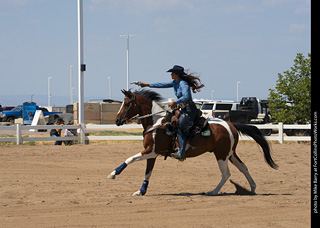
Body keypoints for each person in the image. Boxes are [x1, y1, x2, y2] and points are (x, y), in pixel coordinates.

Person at [138, 65, 204, 161]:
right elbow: (162, 84)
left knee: (180, 127)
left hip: (190, 110)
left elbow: (186, 96)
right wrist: (147, 85)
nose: (171, 74)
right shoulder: (175, 82)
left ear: (177, 74)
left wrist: (175, 102)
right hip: (183, 109)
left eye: (172, 73)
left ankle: (181, 152)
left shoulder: (183, 84)